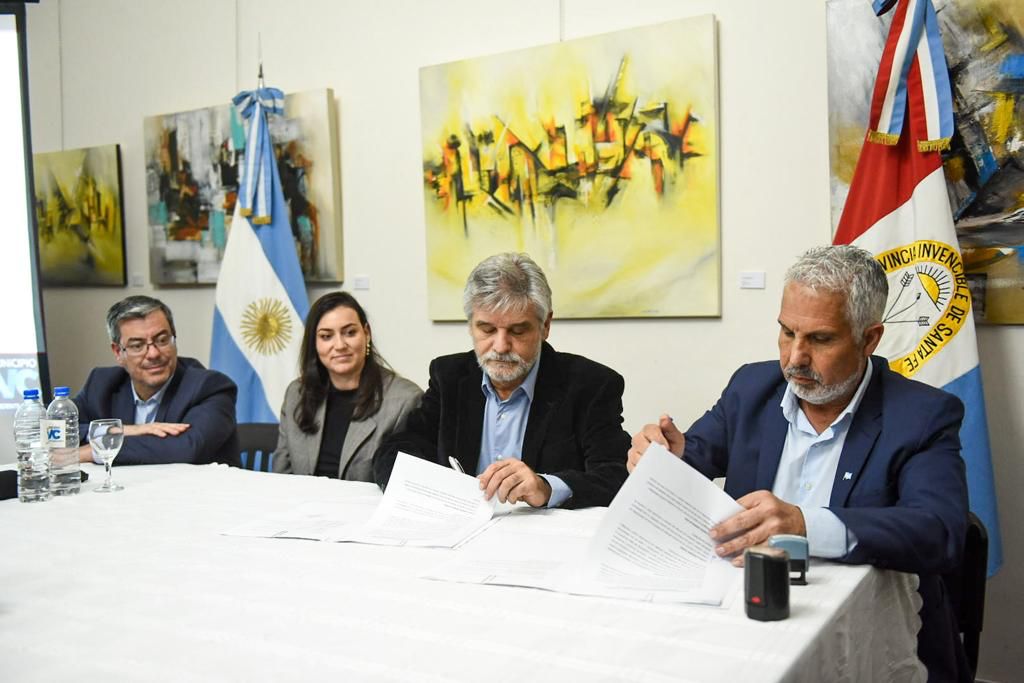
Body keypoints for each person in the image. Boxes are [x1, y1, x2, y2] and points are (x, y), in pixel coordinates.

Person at [628, 245, 969, 681]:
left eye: (820, 339)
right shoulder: (752, 386)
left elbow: (940, 532)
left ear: (869, 339)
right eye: (787, 332)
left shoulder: (921, 415)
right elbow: (692, 455)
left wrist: (804, 524)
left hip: (864, 630)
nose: (795, 358)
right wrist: (663, 456)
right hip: (742, 614)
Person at [373, 252, 630, 509]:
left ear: (545, 326)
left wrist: (547, 487)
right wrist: (427, 486)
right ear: (470, 325)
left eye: (517, 331)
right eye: (487, 329)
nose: (501, 346)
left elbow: (615, 474)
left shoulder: (592, 385)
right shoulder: (450, 376)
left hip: (542, 530)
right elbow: (396, 450)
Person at [74, 295, 240, 466]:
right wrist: (124, 430)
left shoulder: (209, 387)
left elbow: (186, 448)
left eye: (162, 340)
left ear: (174, 339)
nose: (153, 354)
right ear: (118, 352)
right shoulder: (101, 384)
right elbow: (59, 429)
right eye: (137, 346)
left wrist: (95, 450)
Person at [273, 292, 422, 480]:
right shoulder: (297, 394)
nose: (340, 345)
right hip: (301, 499)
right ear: (314, 343)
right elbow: (281, 477)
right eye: (326, 336)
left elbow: (405, 484)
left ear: (366, 334)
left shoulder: (405, 400)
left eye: (350, 333)